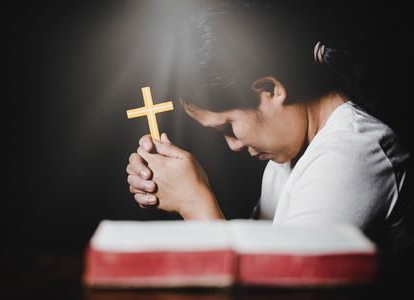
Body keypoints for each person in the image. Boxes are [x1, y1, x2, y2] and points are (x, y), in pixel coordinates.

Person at [126, 1, 412, 247]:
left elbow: (277, 288)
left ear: (271, 90)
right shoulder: (288, 157)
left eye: (227, 128)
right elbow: (258, 253)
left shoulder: (353, 152)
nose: (234, 145)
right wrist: (178, 192)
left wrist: (193, 202)